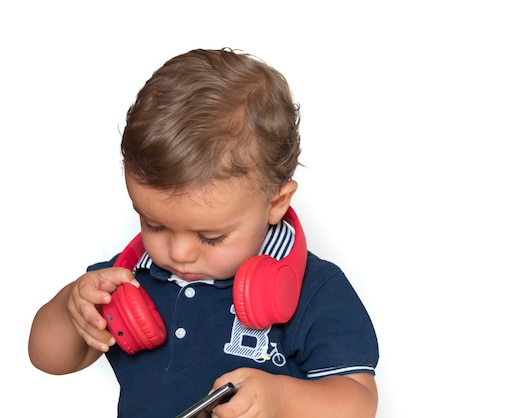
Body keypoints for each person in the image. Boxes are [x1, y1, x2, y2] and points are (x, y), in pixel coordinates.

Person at [28, 48, 379, 418]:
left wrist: (282, 399)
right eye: (154, 224)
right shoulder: (124, 282)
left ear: (277, 202)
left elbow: (357, 402)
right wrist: (71, 310)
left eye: (211, 237)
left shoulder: (313, 290)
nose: (178, 253)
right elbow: (47, 358)